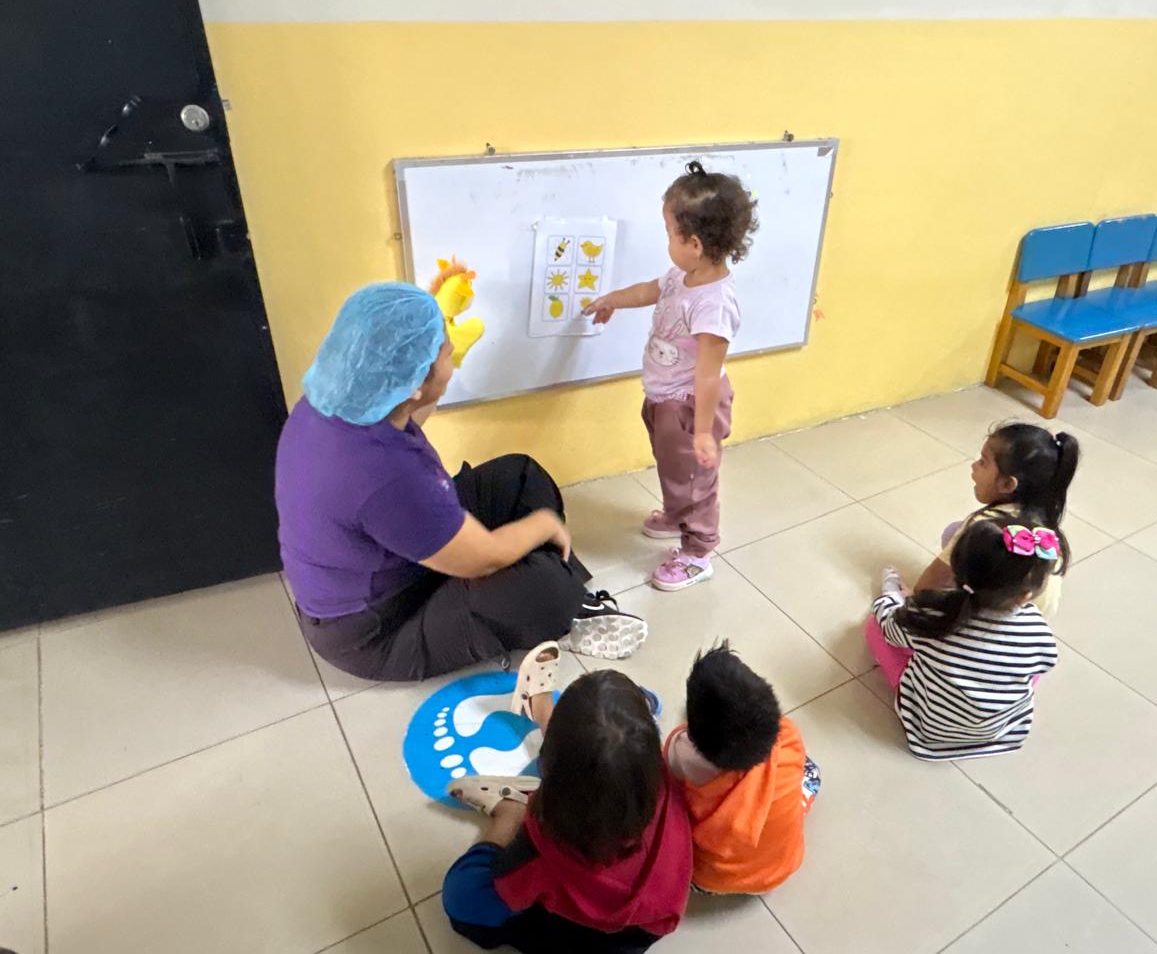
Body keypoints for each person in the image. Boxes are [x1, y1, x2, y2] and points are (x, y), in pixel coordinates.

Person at [274, 282, 647, 682]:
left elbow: (408, 415)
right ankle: (559, 599)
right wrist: (544, 526)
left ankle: (552, 581)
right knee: (544, 588)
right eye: (446, 350)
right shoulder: (388, 474)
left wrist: (434, 347)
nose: (452, 351)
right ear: (414, 384)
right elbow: (483, 558)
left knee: (519, 476)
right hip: (372, 631)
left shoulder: (334, 403)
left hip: (389, 562)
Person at [444, 646, 692, 953]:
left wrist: (516, 821)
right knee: (606, 750)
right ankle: (542, 711)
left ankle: (510, 812)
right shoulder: (668, 777)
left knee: (461, 895)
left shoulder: (540, 848)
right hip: (643, 928)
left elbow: (475, 901)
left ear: (548, 769)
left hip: (582, 939)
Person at [584, 162, 758, 591]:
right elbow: (651, 290)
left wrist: (702, 432)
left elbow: (708, 377)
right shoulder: (683, 276)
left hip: (691, 405)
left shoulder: (714, 304)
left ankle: (698, 551)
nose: (666, 241)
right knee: (674, 469)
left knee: (695, 481)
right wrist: (613, 299)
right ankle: (678, 514)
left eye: (669, 233)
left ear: (694, 244)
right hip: (665, 399)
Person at [868, 515, 1061, 761]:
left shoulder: (932, 612)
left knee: (876, 627)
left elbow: (890, 627)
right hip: (1000, 732)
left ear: (956, 570)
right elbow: (1046, 662)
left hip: (928, 730)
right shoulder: (1036, 626)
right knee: (1028, 666)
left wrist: (890, 598)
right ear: (1025, 595)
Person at [665, 643, 818, 895]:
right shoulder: (789, 735)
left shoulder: (678, 752)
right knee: (808, 770)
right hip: (781, 867)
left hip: (712, 880)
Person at [913, 422, 1079, 617]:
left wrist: (910, 601)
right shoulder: (1045, 526)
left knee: (962, 537)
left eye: (983, 462)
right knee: (954, 531)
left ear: (1008, 484)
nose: (973, 466)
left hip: (990, 619)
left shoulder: (986, 522)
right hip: (1033, 619)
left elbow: (928, 585)